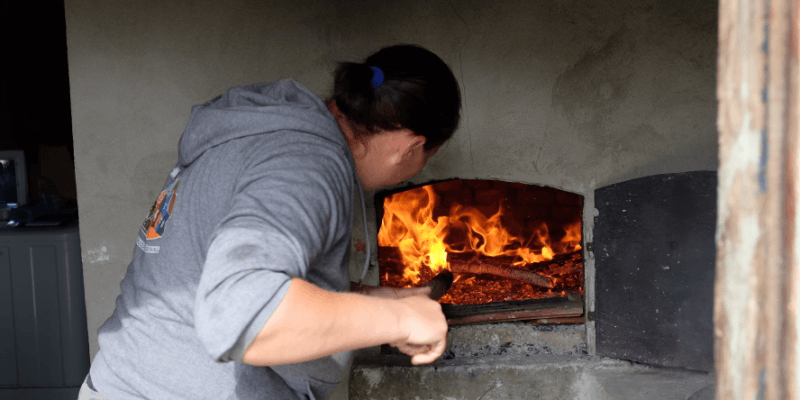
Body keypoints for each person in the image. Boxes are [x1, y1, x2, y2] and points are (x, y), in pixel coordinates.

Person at [79, 44, 462, 400]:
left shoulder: (268, 132)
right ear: (411, 146)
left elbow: (233, 274)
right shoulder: (306, 164)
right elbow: (244, 313)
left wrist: (370, 299)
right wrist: (400, 318)